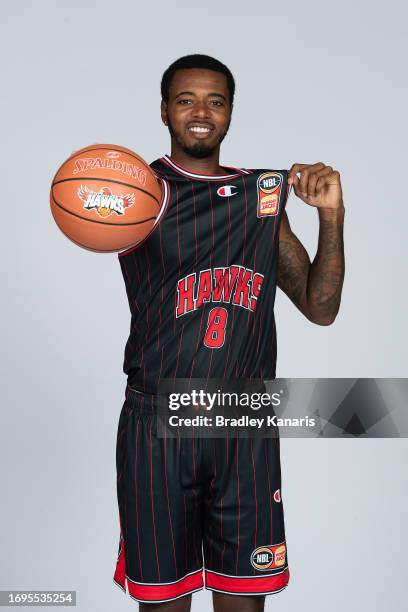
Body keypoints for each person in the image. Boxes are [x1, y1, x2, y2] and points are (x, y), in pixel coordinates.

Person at [113, 54, 345, 611]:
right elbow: (83, 207)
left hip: (243, 425)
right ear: (164, 110)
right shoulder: (137, 195)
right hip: (158, 424)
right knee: (164, 602)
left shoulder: (262, 197)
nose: (201, 112)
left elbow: (320, 307)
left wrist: (331, 217)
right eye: (186, 99)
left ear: (230, 113)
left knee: (244, 602)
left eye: (215, 101)